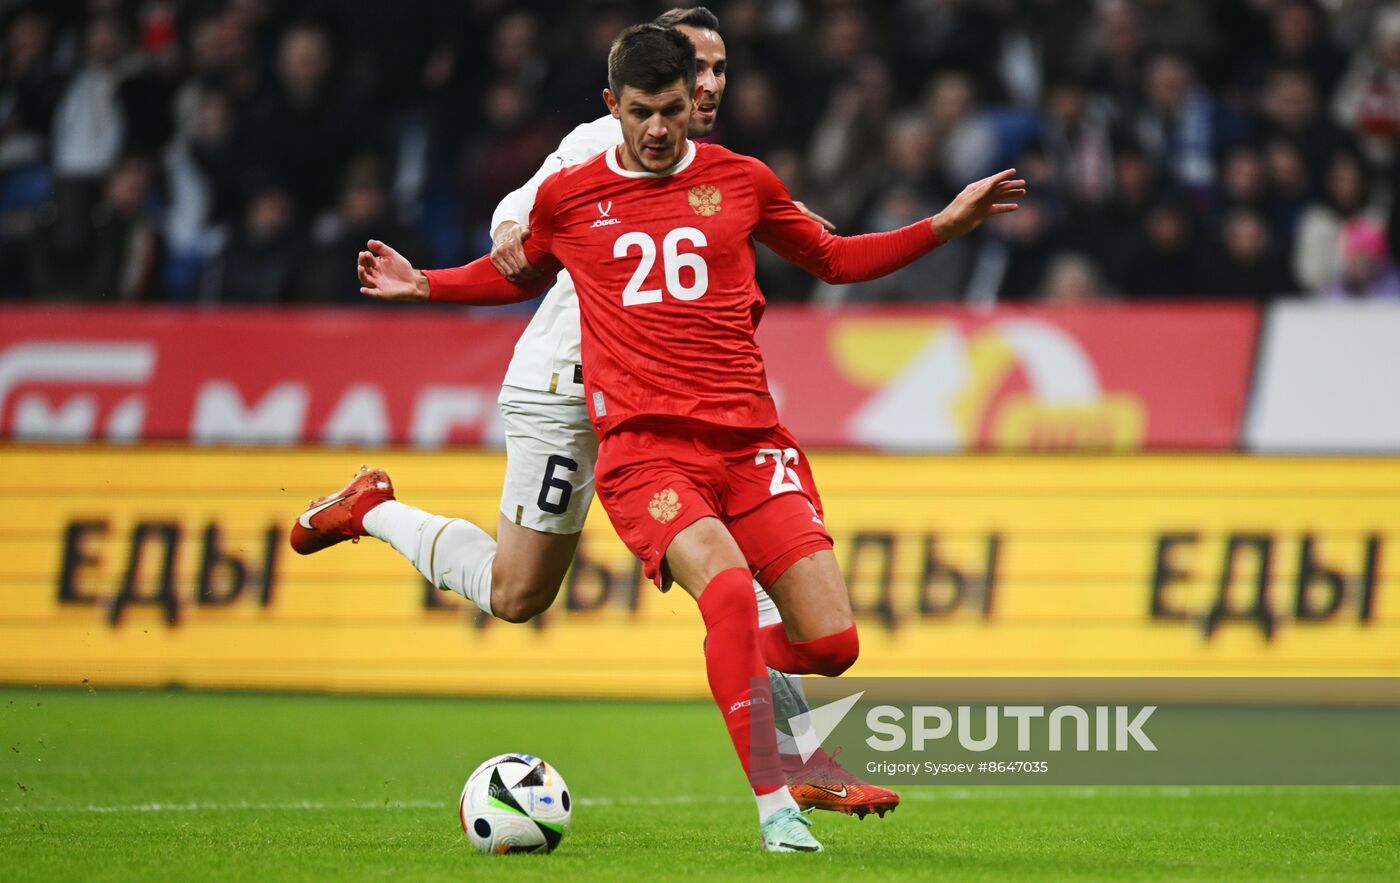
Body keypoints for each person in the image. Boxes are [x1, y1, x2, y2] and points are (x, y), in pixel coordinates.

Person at [342, 25, 1022, 852]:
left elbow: (835, 259)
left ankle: (731, 668)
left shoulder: (741, 179)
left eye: (681, 102)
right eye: (644, 112)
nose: (662, 126)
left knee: (832, 643)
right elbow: (516, 259)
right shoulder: (574, 181)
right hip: (632, 437)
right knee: (708, 593)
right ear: (613, 107)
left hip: (747, 440)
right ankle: (777, 799)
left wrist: (945, 224)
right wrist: (427, 284)